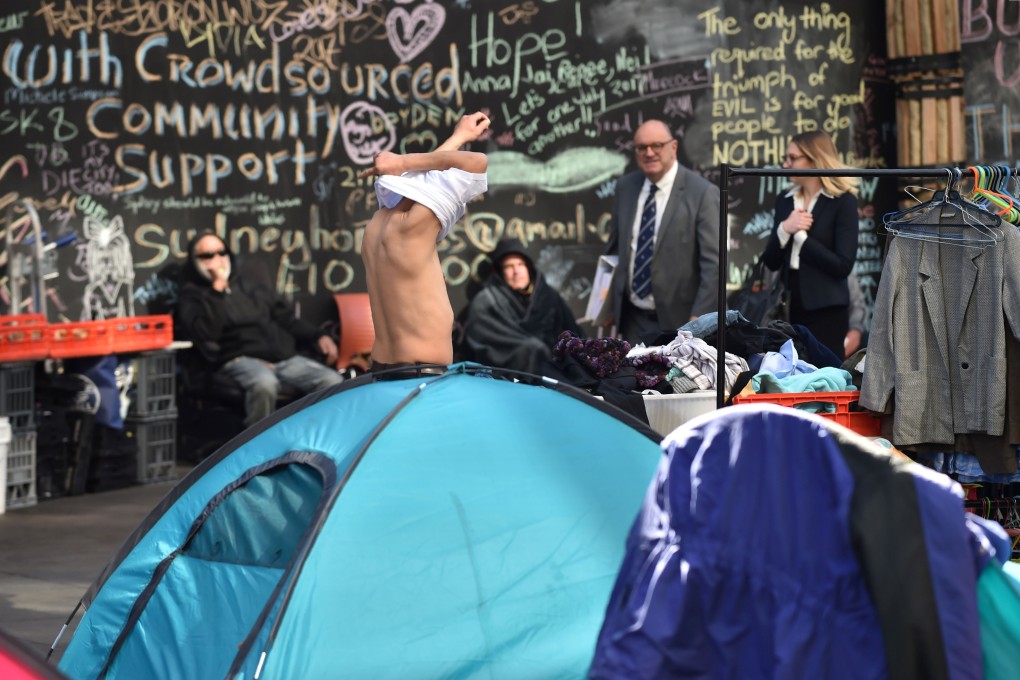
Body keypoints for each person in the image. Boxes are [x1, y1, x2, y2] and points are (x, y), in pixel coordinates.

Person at [358, 112, 490, 374]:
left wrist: (459, 137)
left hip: (383, 368)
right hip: (423, 373)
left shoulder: (376, 227)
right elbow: (477, 161)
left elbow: (425, 182)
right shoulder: (414, 226)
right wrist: (403, 161)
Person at [176, 231, 343, 427]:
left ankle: (315, 436)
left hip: (282, 357)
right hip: (239, 359)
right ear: (194, 261)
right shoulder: (193, 296)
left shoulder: (251, 287)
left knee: (331, 380)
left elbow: (287, 319)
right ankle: (255, 445)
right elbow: (206, 333)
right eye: (207, 256)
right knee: (264, 384)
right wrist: (217, 292)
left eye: (221, 253)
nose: (217, 260)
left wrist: (319, 335)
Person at [603, 119, 720, 345]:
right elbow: (615, 248)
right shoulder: (625, 188)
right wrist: (606, 305)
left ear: (673, 147)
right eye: (641, 147)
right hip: (632, 320)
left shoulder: (703, 193)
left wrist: (698, 321)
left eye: (657, 145)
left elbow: (713, 266)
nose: (649, 153)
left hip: (682, 324)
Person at [762, 130, 860, 359]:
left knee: (826, 378)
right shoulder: (785, 200)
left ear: (815, 159)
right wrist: (784, 229)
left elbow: (843, 265)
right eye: (786, 158)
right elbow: (771, 261)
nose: (786, 164)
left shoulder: (843, 201)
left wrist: (802, 239)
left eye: (792, 158)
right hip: (789, 307)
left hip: (827, 310)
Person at [459, 238, 583, 373]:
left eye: (520, 264)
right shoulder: (487, 300)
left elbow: (572, 331)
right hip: (511, 375)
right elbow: (485, 342)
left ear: (529, 268)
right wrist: (532, 349)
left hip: (555, 366)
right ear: (500, 272)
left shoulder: (548, 295)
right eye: (509, 266)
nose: (516, 271)